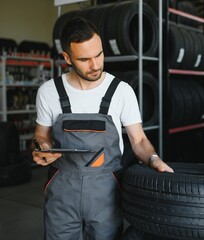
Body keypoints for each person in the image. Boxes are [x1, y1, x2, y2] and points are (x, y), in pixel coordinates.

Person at [32, 16, 173, 240]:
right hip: (62, 191)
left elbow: (139, 141)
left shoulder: (121, 91)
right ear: (67, 57)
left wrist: (155, 159)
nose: (95, 65)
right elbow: (40, 135)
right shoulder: (49, 91)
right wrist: (42, 148)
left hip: (106, 193)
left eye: (99, 54)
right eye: (85, 59)